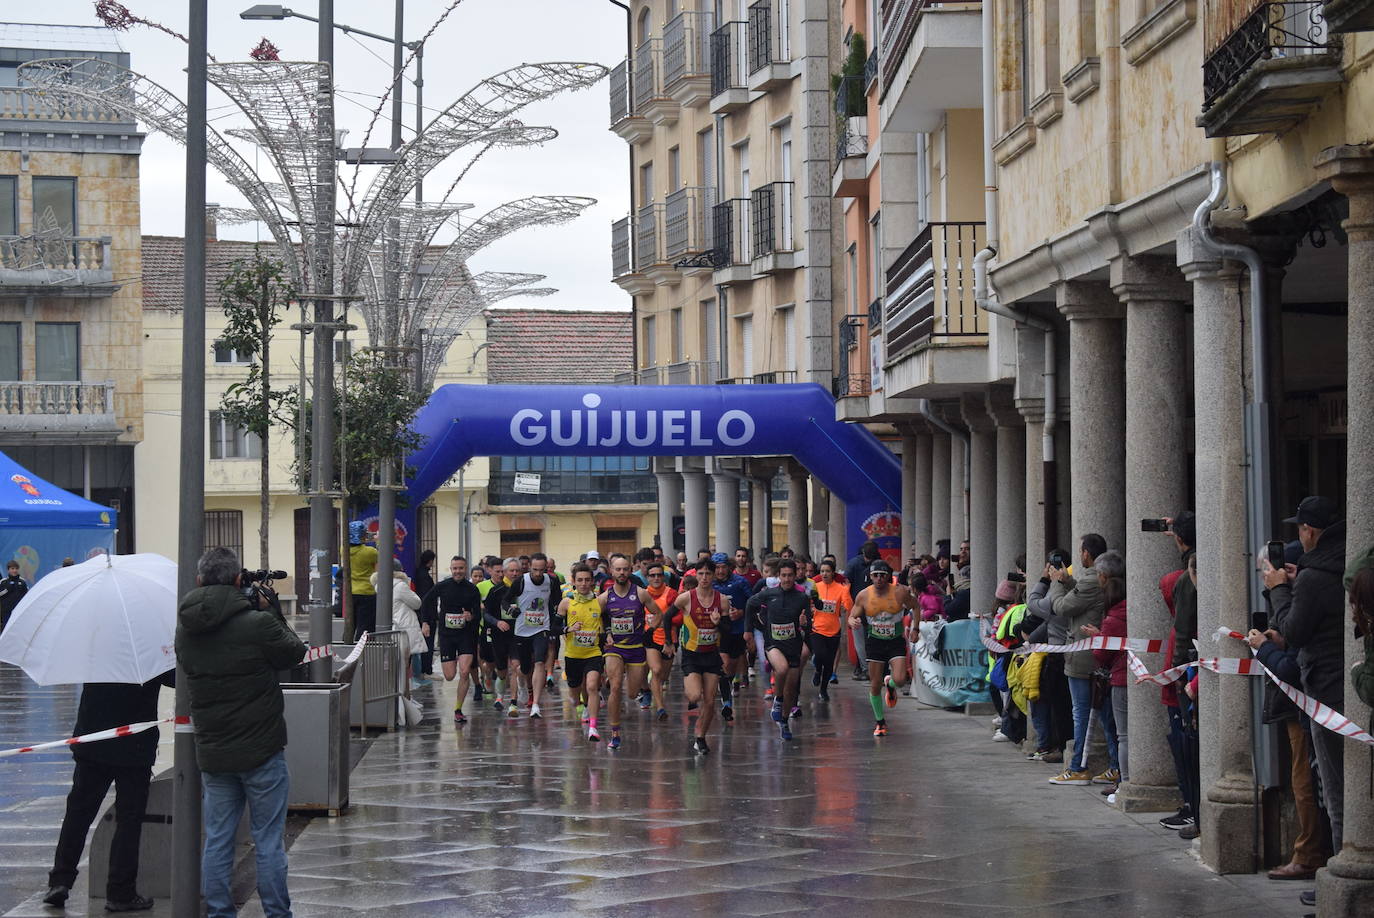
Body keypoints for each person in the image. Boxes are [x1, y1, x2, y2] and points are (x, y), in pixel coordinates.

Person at [176, 547, 306, 918]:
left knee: (218, 840)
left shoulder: (185, 630)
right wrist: (273, 611)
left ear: (199, 580)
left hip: (214, 752)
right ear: (237, 580)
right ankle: (277, 913)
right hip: (262, 749)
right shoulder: (257, 624)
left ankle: (219, 912)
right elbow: (294, 653)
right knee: (268, 840)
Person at [43, 671, 175, 911]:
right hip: (133, 748)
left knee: (78, 814)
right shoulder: (147, 653)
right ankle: (120, 892)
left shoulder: (96, 649)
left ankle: (60, 880)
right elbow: (176, 679)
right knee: (129, 820)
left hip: (93, 740)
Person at [1269, 496, 1347, 852]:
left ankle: (1342, 860)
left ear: (1310, 531)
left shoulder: (1313, 578)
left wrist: (1279, 590)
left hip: (1325, 686)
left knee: (1334, 786)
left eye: (1300, 530)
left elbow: (1294, 632)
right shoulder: (1339, 564)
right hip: (1343, 680)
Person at [1248, 536, 1328, 879]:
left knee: (1306, 782)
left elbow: (1293, 666)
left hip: (1307, 705)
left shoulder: (1302, 596)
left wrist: (1265, 648)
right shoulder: (1292, 597)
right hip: (1301, 707)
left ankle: (1310, 853)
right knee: (1306, 780)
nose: (1266, 578)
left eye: (1268, 571)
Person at [1045, 533, 1114, 787]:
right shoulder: (1095, 579)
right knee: (1104, 713)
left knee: (1082, 712)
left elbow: (1062, 607)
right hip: (1094, 653)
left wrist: (1055, 582)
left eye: (1081, 550)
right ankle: (1115, 765)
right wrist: (1068, 581)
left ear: (1086, 553)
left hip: (1083, 655)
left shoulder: (1090, 579)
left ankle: (1078, 767)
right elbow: (1082, 598)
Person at [747, 559, 817, 741]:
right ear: (778, 576)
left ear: (795, 576)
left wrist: (804, 624)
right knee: (782, 669)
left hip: (793, 645)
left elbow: (809, 624)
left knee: (791, 690)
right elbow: (750, 605)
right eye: (783, 575)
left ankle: (784, 721)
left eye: (790, 575)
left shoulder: (802, 597)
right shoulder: (769, 594)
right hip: (773, 644)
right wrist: (751, 630)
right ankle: (777, 700)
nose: (787, 579)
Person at [849, 560, 918, 736]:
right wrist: (852, 621)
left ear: (888, 576)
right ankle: (880, 722)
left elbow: (916, 606)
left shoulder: (900, 592)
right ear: (870, 577)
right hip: (875, 642)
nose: (879, 578)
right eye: (875, 575)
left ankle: (891, 684)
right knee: (875, 684)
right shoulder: (864, 595)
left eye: (882, 575)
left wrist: (916, 628)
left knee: (901, 679)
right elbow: (852, 615)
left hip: (895, 641)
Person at [598, 556, 657, 750]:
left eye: (625, 569)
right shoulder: (605, 597)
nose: (621, 573)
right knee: (615, 688)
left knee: (631, 694)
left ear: (630, 570)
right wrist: (605, 633)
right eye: (618, 569)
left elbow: (658, 613)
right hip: (614, 648)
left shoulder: (641, 593)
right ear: (611, 571)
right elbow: (594, 617)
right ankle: (615, 733)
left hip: (636, 648)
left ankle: (626, 682)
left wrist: (650, 630)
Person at [1083, 550, 1127, 797]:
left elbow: (1102, 654)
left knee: (1121, 733)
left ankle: (1122, 778)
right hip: (1128, 674)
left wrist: (1097, 638)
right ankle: (1120, 775)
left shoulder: (1112, 619)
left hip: (1119, 676)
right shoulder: (1127, 612)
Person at [424, 556, 484, 725]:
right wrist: (425, 622)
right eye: (455, 568)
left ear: (465, 570)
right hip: (447, 636)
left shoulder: (472, 589)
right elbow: (426, 601)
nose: (458, 571)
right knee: (450, 676)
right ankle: (455, 663)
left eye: (461, 568)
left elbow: (478, 614)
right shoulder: (442, 586)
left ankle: (458, 709)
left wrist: (471, 616)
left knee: (464, 672)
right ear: (451, 569)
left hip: (466, 635)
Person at [672, 565, 724, 754]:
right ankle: (691, 686)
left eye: (708, 574)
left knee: (710, 701)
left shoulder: (722, 600)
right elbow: (668, 617)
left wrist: (719, 623)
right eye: (700, 574)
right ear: (696, 576)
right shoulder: (685, 598)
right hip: (691, 655)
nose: (704, 577)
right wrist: (670, 642)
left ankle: (700, 737)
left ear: (713, 576)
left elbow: (728, 630)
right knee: (694, 696)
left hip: (711, 655)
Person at [501, 552, 557, 719]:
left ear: (546, 569)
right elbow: (505, 601)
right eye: (535, 570)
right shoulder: (521, 581)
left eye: (542, 570)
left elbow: (557, 602)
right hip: (522, 631)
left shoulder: (551, 581)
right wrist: (511, 610)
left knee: (539, 662)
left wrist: (556, 623)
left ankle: (536, 705)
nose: (538, 573)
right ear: (529, 567)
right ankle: (523, 685)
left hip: (541, 628)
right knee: (525, 668)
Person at [559, 563, 607, 742]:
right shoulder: (566, 603)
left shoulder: (599, 602)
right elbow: (554, 627)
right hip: (573, 655)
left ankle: (593, 728)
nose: (584, 584)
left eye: (587, 580)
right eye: (580, 580)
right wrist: (568, 629)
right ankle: (581, 705)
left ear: (592, 582)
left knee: (592, 686)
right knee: (574, 694)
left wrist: (608, 634)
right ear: (573, 581)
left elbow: (608, 621)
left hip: (593, 653)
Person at [710, 552, 753, 722]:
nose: (720, 571)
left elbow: (753, 602)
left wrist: (741, 612)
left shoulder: (740, 582)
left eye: (723, 567)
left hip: (736, 629)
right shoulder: (709, 584)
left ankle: (727, 686)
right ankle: (726, 701)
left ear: (729, 567)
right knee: (725, 663)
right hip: (718, 631)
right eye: (717, 568)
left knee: (732, 665)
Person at [371, 567, 425, 697]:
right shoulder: (400, 586)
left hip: (391, 629)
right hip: (403, 628)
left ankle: (402, 695)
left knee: (396, 666)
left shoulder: (379, 586)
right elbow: (417, 603)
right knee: (405, 665)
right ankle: (405, 697)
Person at [482, 558, 522, 712]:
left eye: (517, 571)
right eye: (511, 570)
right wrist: (497, 622)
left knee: (516, 666)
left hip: (517, 635)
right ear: (504, 572)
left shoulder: (523, 589)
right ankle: (499, 696)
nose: (514, 573)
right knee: (502, 671)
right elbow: (486, 614)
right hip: (499, 635)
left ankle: (513, 702)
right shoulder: (496, 590)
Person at [809, 560, 852, 700]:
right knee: (819, 655)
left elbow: (848, 606)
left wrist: (846, 590)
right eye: (822, 571)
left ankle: (823, 690)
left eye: (827, 571)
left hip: (833, 630)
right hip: (817, 628)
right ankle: (817, 670)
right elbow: (807, 603)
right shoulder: (815, 587)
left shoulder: (840, 588)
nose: (824, 574)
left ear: (833, 573)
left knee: (829, 662)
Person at [644, 560, 679, 720]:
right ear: (647, 578)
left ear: (664, 577)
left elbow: (679, 617)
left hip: (668, 639)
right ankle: (660, 707)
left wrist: (667, 621)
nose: (656, 578)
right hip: (650, 638)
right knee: (656, 670)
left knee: (663, 676)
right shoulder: (642, 594)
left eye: (659, 575)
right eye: (653, 575)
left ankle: (652, 690)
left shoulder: (671, 594)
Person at [844, 540, 880, 679]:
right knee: (863, 640)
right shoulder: (876, 563)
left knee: (865, 640)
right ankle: (865, 668)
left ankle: (866, 668)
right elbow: (846, 584)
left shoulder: (855, 563)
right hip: (862, 606)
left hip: (870, 607)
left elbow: (846, 584)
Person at [347, 521, 379, 641]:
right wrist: (377, 541)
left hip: (351, 592)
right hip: (367, 592)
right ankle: (363, 649)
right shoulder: (370, 552)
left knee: (351, 624)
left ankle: (348, 645)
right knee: (365, 626)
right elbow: (380, 563)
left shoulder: (343, 550)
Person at [413, 549, 437, 676]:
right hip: (427, 615)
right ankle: (427, 669)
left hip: (421, 614)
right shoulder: (425, 577)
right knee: (428, 643)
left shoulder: (418, 573)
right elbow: (426, 598)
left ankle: (424, 669)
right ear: (430, 561)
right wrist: (426, 619)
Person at [0, 558, 29, 632]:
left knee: (19, 629)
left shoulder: (22, 582)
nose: (14, 570)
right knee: (6, 629)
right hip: (6, 611)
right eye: (12, 568)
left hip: (19, 610)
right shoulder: (3, 582)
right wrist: (6, 590)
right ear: (8, 570)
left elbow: (28, 596)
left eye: (16, 568)